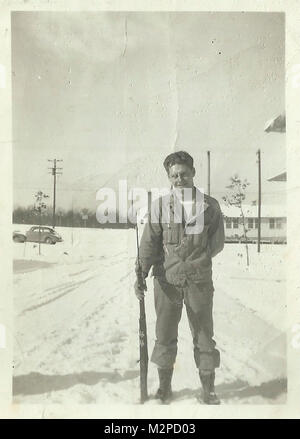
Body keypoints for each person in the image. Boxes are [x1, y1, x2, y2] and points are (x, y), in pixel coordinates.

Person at [135, 151, 225, 404]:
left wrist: (198, 258)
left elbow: (217, 242)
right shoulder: (160, 206)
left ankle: (208, 389)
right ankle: (164, 387)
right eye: (174, 175)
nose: (179, 179)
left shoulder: (210, 205)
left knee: (204, 335)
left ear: (193, 173)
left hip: (199, 281)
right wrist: (141, 273)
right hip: (166, 282)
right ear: (169, 177)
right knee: (164, 334)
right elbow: (149, 243)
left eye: (183, 173)